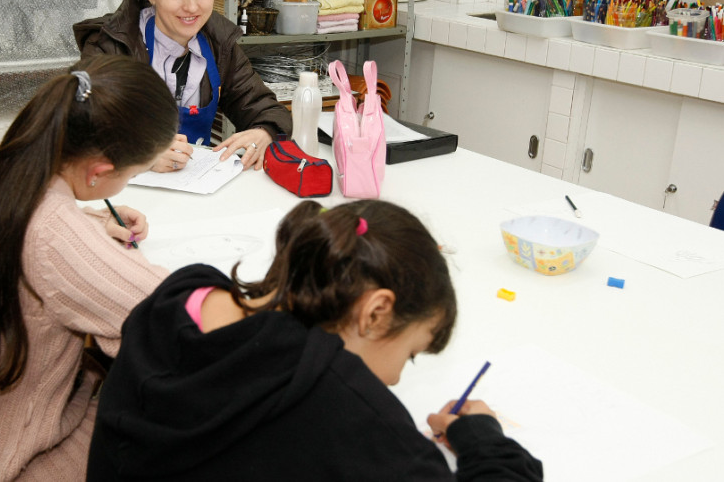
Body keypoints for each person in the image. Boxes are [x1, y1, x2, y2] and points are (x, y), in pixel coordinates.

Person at [86, 200, 544, 481]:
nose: (397, 378)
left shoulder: (182, 296)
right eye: (409, 354)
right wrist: (485, 441)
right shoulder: (338, 403)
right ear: (375, 311)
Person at [0, 55, 178, 480]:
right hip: (0, 462)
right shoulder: (55, 240)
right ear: (99, 172)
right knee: (180, 429)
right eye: (133, 174)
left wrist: (91, 221)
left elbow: (23, 225)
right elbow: (171, 315)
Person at [73, 0, 292, 174]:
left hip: (196, 188)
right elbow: (76, 124)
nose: (191, 6)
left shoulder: (220, 45)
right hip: (126, 191)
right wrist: (138, 153)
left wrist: (265, 132)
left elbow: (267, 109)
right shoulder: (112, 46)